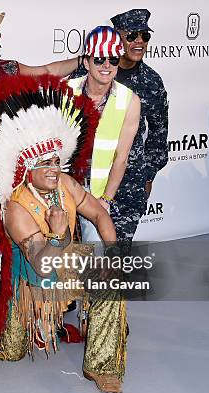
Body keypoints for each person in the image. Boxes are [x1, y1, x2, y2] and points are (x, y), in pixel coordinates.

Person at [0, 74, 128, 393]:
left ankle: (103, 366)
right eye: (43, 163)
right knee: (10, 352)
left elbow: (101, 214)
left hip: (65, 264)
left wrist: (115, 253)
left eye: (55, 161)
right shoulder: (17, 208)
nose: (53, 168)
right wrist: (60, 235)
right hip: (29, 285)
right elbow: (42, 266)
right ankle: (25, 322)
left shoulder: (67, 184)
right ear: (26, 170)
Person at [0, 7, 84, 332]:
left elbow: (48, 69)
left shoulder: (10, 67)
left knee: (23, 235)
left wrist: (86, 60)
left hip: (16, 174)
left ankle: (26, 305)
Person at [65, 26, 140, 251]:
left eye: (113, 59)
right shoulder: (65, 91)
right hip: (64, 189)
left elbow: (121, 158)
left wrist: (105, 201)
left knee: (95, 260)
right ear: (86, 62)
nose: (107, 65)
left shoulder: (129, 100)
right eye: (99, 59)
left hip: (96, 196)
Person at [110, 8, 169, 245]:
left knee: (119, 252)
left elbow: (159, 132)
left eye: (145, 36)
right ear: (117, 38)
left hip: (131, 181)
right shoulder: (99, 71)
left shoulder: (152, 82)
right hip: (93, 178)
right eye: (132, 35)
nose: (139, 42)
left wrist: (148, 174)